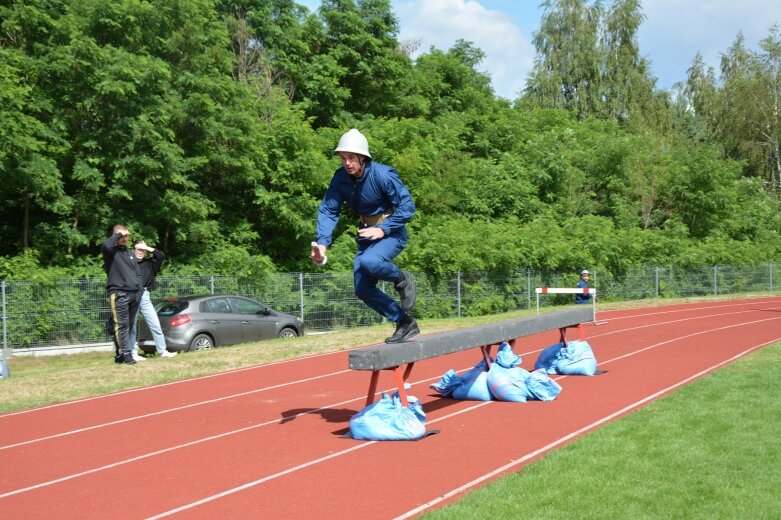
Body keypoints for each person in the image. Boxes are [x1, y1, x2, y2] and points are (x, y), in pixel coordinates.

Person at [311, 129, 419, 343]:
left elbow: (408, 206)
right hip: (366, 235)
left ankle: (401, 279)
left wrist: (384, 229)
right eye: (343, 158)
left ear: (363, 157)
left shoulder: (382, 175)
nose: (347, 163)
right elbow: (328, 210)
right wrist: (322, 243)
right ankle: (405, 323)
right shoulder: (340, 178)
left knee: (371, 261)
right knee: (362, 289)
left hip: (392, 232)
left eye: (351, 158)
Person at [129, 240, 177, 359]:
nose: (140, 252)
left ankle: (162, 351)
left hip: (144, 296)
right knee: (132, 326)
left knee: (155, 324)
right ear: (133, 250)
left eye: (143, 250)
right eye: (138, 249)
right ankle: (132, 353)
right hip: (132, 296)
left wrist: (147, 247)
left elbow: (161, 255)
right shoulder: (128, 264)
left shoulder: (150, 264)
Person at [102, 224, 142, 364]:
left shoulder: (129, 253)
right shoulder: (110, 252)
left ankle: (119, 355)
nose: (125, 238)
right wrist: (118, 234)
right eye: (122, 236)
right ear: (115, 236)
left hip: (134, 294)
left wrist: (139, 291)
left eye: (126, 236)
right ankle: (126, 354)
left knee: (128, 325)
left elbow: (137, 273)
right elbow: (107, 246)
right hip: (119, 293)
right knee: (121, 325)